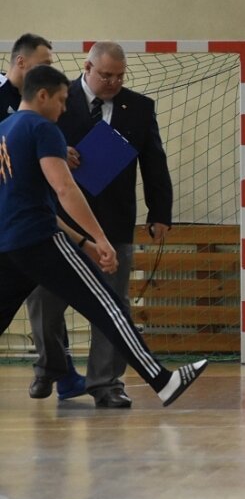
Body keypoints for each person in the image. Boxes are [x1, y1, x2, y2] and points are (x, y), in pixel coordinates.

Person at [0, 64, 207, 407]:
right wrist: (100, 238)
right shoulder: (43, 128)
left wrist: (82, 242)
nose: (65, 108)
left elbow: (27, 200)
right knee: (108, 306)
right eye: (62, 100)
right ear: (42, 95)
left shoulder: (5, 129)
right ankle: (163, 380)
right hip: (39, 240)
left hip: (8, 243)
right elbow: (65, 189)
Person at [26, 41, 174, 408]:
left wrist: (160, 213)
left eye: (120, 76)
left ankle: (106, 383)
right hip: (57, 221)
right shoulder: (57, 97)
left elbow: (154, 161)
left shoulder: (139, 108)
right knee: (44, 300)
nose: (113, 82)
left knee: (113, 304)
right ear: (87, 67)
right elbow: (28, 143)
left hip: (113, 221)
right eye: (106, 75)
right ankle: (51, 365)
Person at [1, 33, 86, 400]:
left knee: (49, 291)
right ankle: (58, 372)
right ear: (22, 63)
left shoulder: (43, 106)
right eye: (45, 63)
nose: (51, 69)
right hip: (9, 223)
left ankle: (60, 373)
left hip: (35, 220)